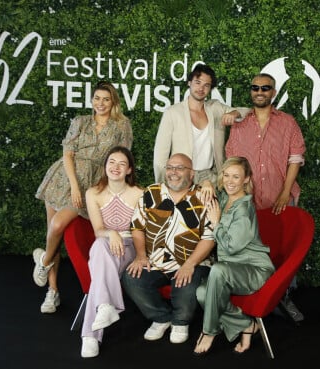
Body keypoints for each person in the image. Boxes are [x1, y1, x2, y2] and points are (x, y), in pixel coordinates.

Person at [33, 81, 133, 314]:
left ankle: (43, 261)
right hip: (63, 179)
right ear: (91, 100)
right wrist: (75, 187)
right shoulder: (80, 121)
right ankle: (53, 292)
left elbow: (122, 157)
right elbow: (68, 155)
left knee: (58, 226)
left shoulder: (122, 125)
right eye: (97, 98)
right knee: (53, 233)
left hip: (93, 182)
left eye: (106, 99)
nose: (101, 103)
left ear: (114, 102)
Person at [225, 73, 306, 322]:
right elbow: (234, 162)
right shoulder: (240, 123)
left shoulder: (288, 122)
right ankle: (253, 299)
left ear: (273, 92)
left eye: (265, 88)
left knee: (284, 251)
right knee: (251, 250)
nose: (259, 91)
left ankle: (284, 298)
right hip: (250, 202)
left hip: (280, 199)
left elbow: (296, 158)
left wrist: (284, 192)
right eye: (255, 87)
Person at [121, 153, 214, 345]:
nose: (173, 172)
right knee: (131, 279)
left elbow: (209, 238)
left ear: (192, 173)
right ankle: (161, 318)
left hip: (193, 261)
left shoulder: (203, 197)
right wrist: (140, 255)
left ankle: (181, 321)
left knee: (186, 286)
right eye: (170, 167)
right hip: (156, 260)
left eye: (180, 168)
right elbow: (137, 227)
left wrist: (189, 264)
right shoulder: (151, 193)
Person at [193, 157, 275, 356]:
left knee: (218, 270)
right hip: (231, 268)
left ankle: (209, 331)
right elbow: (199, 189)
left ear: (246, 179)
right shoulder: (223, 197)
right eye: (226, 175)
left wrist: (216, 222)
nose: (230, 181)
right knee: (202, 293)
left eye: (236, 177)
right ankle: (246, 324)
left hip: (254, 269)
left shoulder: (245, 209)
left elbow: (230, 247)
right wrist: (205, 183)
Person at [80, 146, 143, 358]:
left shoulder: (139, 194)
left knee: (99, 269)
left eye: (121, 163)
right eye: (112, 162)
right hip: (105, 244)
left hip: (130, 246)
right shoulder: (93, 193)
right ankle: (105, 307)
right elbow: (98, 230)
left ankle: (90, 335)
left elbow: (139, 231)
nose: (115, 167)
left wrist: (119, 236)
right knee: (99, 247)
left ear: (129, 170)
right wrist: (111, 233)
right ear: (105, 166)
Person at [153, 63, 248, 200]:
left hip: (210, 177)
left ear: (210, 89)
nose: (201, 88)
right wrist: (162, 186)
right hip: (182, 175)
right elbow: (160, 155)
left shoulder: (215, 108)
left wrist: (235, 113)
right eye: (198, 82)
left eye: (206, 85)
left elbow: (248, 112)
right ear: (189, 82)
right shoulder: (173, 113)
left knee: (210, 218)